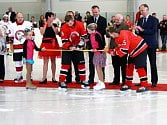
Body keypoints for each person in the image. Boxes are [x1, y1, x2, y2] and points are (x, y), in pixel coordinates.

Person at [107, 27, 149, 93]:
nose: (110, 36)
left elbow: (124, 50)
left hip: (140, 49)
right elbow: (120, 47)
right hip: (133, 51)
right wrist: (113, 50)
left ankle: (145, 85)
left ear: (114, 33)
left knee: (140, 67)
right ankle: (128, 84)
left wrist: (114, 53)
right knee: (129, 66)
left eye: (110, 34)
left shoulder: (123, 35)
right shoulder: (117, 38)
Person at [58, 15, 88, 89]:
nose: (69, 23)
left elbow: (84, 37)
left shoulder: (80, 24)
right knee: (65, 65)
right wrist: (70, 47)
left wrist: (79, 46)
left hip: (78, 48)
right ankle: (61, 81)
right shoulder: (63, 27)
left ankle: (83, 80)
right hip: (67, 49)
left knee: (81, 65)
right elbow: (64, 41)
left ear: (73, 20)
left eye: (70, 21)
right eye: (67, 22)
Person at [135, 4, 158, 87]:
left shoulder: (154, 19)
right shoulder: (140, 20)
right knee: (142, 64)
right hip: (142, 45)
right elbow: (138, 33)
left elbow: (153, 31)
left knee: (152, 63)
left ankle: (154, 81)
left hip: (151, 44)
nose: (141, 12)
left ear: (147, 10)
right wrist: (137, 30)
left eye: (142, 10)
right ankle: (143, 81)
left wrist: (142, 30)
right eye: (140, 11)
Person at [8, 12, 33, 83]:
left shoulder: (27, 24)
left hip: (26, 48)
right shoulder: (12, 26)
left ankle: (29, 76)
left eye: (21, 17)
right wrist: (11, 47)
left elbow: (32, 36)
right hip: (17, 47)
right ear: (16, 17)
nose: (20, 18)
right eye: (19, 17)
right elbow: (11, 37)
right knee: (17, 62)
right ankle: (19, 76)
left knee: (28, 62)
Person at [86, 5, 107, 85]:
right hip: (91, 45)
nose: (95, 13)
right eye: (93, 12)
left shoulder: (103, 20)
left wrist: (95, 33)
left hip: (99, 45)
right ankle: (91, 79)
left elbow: (103, 31)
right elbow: (87, 30)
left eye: (96, 12)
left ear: (99, 11)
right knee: (91, 62)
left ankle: (102, 80)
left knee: (100, 64)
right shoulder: (89, 19)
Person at [38, 12, 61, 84]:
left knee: (53, 61)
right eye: (52, 16)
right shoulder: (42, 24)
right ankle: (44, 78)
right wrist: (45, 24)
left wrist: (52, 26)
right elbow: (42, 33)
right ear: (48, 17)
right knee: (45, 61)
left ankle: (54, 77)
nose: (53, 17)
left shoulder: (54, 24)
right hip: (45, 43)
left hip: (53, 43)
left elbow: (57, 33)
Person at [108, 14, 129, 86]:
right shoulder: (112, 26)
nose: (116, 21)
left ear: (122, 19)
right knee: (115, 65)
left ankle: (124, 81)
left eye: (118, 20)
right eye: (115, 19)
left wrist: (112, 29)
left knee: (123, 66)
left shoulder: (125, 26)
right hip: (113, 48)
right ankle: (116, 80)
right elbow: (108, 34)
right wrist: (110, 29)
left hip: (121, 49)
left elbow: (118, 33)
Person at [87, 23, 106, 90]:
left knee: (99, 67)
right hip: (96, 53)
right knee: (97, 67)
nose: (87, 31)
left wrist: (96, 49)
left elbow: (102, 44)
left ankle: (101, 81)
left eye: (88, 30)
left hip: (99, 53)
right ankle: (101, 81)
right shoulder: (91, 35)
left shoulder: (97, 35)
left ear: (92, 30)